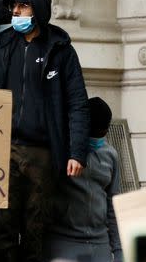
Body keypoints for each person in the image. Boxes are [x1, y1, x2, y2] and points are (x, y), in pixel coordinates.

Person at [0, 0, 90, 262]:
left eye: (23, 7)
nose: (15, 12)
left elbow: (77, 103)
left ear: (38, 11)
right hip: (4, 150)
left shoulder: (61, 51)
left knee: (36, 228)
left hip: (43, 153)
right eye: (13, 7)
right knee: (1, 225)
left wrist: (76, 152)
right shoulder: (3, 44)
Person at [45, 97, 123, 262]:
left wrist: (118, 249)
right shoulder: (61, 150)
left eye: (103, 132)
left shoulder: (111, 155)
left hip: (100, 244)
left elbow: (113, 205)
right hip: (64, 241)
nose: (98, 137)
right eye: (94, 132)